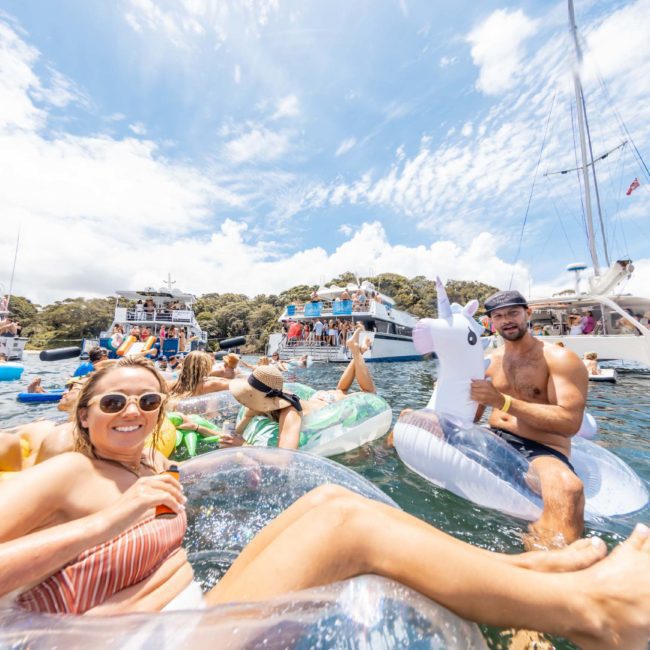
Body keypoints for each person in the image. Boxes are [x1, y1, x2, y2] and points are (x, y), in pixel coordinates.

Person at [1, 358, 650, 649]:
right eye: (114, 402)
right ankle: (596, 616)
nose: (134, 413)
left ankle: (529, 571)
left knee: (328, 499)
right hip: (134, 644)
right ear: (84, 415)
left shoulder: (148, 467)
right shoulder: (67, 475)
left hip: (185, 619)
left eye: (147, 401)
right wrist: (112, 519)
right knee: (342, 528)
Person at [471, 290, 588, 548]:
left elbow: (569, 423)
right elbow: (472, 415)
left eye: (513, 312)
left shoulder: (558, 358)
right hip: (492, 438)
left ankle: (547, 568)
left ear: (528, 313)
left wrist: (503, 402)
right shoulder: (489, 361)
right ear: (491, 322)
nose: (507, 320)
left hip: (539, 448)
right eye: (498, 316)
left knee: (569, 490)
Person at [231, 325, 374, 449]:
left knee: (369, 394)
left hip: (328, 404)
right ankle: (358, 350)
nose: (244, 401)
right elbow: (237, 431)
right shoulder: (262, 401)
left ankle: (356, 351)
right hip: (317, 399)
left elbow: (286, 457)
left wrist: (244, 446)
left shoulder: (290, 411)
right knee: (340, 390)